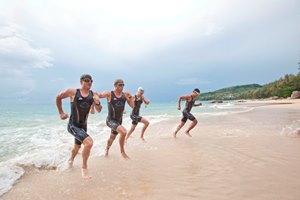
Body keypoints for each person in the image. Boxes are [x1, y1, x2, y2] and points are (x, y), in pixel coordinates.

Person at [56, 74, 102, 179]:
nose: (89, 82)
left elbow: (99, 110)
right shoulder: (73, 92)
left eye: (91, 81)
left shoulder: (93, 94)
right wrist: (61, 113)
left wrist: (97, 102)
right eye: (86, 80)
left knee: (77, 147)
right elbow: (58, 97)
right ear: (81, 82)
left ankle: (70, 160)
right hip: (73, 125)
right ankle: (84, 169)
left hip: (83, 126)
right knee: (89, 143)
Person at [99, 79, 134, 159]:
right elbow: (99, 95)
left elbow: (132, 106)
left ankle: (106, 150)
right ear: (115, 85)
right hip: (110, 120)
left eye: (123, 85)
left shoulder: (125, 95)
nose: (122, 87)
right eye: (120, 85)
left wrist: (131, 98)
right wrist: (95, 104)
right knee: (124, 132)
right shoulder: (109, 94)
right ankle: (122, 152)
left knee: (112, 137)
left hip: (119, 121)